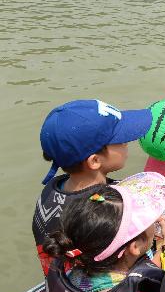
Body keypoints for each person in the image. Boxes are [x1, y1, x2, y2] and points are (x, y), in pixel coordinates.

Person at [34, 99, 153, 273]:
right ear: (95, 160)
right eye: (120, 139)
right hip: (111, 289)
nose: (127, 142)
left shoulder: (50, 190)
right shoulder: (107, 210)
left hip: (66, 286)